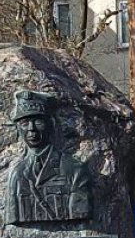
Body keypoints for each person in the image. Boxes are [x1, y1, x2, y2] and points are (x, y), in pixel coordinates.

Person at [5, 90, 90, 225]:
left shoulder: (73, 169)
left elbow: (80, 211)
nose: (31, 129)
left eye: (38, 122)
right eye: (25, 123)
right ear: (18, 129)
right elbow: (12, 214)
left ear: (51, 125)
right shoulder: (17, 174)